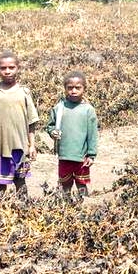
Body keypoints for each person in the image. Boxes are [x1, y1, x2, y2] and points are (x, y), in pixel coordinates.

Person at [0, 50, 39, 197]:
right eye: (3, 68)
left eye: (11, 67)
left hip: (20, 148)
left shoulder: (24, 92)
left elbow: (31, 122)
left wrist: (32, 145)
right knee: (1, 184)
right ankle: (0, 211)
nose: (7, 71)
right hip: (0, 148)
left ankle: (24, 209)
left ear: (18, 68)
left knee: (20, 182)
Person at [47, 71, 98, 200]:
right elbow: (50, 126)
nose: (73, 91)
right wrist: (52, 132)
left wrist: (91, 155)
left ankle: (84, 205)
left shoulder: (88, 110)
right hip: (64, 154)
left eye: (78, 88)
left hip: (81, 157)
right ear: (65, 89)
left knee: (81, 183)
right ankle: (66, 206)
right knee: (65, 183)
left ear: (84, 89)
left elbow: (92, 134)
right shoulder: (59, 108)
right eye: (70, 88)